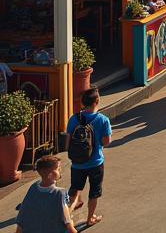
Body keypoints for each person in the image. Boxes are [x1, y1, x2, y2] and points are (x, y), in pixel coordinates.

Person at [66, 87, 112, 228]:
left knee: (75, 189)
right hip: (96, 162)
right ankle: (90, 218)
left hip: (77, 164)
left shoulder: (74, 118)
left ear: (82, 103)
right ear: (97, 101)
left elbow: (67, 143)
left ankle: (66, 218)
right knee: (94, 192)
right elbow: (106, 142)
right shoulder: (102, 120)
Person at [15, 155, 75, 233]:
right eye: (57, 168)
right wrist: (72, 226)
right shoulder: (60, 193)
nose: (60, 170)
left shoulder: (33, 188)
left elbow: (22, 216)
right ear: (50, 174)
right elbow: (68, 223)